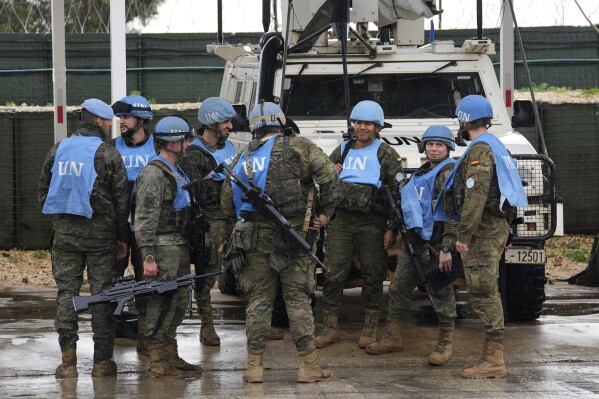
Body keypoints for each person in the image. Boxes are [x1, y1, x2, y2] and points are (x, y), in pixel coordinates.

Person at [220, 101, 340, 383]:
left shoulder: (241, 157)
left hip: (252, 242)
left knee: (258, 303)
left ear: (253, 126)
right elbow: (331, 180)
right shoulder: (300, 146)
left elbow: (226, 203)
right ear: (281, 122)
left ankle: (254, 367)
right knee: (298, 301)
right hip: (295, 239)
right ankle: (308, 367)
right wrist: (324, 214)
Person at [434, 95, 528, 378]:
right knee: (487, 289)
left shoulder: (481, 150)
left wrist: (463, 234)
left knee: (483, 291)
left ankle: (494, 360)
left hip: (482, 232)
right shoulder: (498, 146)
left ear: (465, 121)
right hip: (493, 228)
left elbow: (475, 196)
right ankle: (492, 356)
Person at [39, 98, 130, 379]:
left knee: (68, 296)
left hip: (65, 237)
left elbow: (44, 191)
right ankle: (102, 363)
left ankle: (68, 364)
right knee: (102, 296)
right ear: (100, 122)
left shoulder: (59, 149)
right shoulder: (108, 153)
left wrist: (61, 224)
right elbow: (122, 200)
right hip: (102, 239)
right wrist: (122, 237)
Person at [366, 125, 458, 366]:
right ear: (423, 147)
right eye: (430, 145)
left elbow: (452, 215)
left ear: (448, 148)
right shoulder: (420, 173)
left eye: (439, 145)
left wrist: (447, 248)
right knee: (398, 288)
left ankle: (444, 343)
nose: (434, 149)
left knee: (441, 293)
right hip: (413, 242)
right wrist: (393, 229)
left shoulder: (448, 174)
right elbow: (405, 207)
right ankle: (393, 337)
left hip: (436, 243)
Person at [315, 100, 403, 350]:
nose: (362, 128)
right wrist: (332, 171)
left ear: (377, 127)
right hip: (342, 221)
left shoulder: (386, 154)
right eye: (359, 123)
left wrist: (392, 228)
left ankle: (370, 327)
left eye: (368, 124)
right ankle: (330, 328)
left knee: (373, 274)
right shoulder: (342, 149)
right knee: (332, 273)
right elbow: (322, 178)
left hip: (372, 223)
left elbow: (396, 193)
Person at [134, 116, 202, 378]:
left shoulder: (175, 170)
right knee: (162, 303)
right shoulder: (153, 173)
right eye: (184, 138)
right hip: (163, 247)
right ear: (171, 142)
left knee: (178, 301)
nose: (187, 143)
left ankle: (170, 354)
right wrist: (148, 257)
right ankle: (159, 361)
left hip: (177, 244)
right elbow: (145, 219)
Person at [180, 97, 237, 346]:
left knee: (246, 269)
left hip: (235, 218)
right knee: (207, 275)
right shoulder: (193, 155)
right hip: (210, 222)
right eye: (226, 121)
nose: (230, 126)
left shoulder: (230, 147)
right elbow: (193, 194)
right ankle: (207, 325)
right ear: (212, 122)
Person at [110, 94, 158, 355]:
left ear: (141, 119)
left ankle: (145, 334)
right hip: (117, 228)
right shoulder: (112, 147)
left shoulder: (157, 148)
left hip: (145, 227)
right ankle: (113, 326)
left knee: (146, 279)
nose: (121, 121)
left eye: (126, 117)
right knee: (114, 278)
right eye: (119, 117)